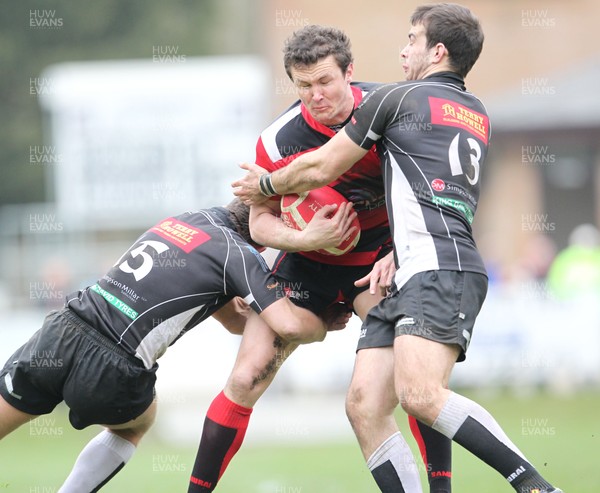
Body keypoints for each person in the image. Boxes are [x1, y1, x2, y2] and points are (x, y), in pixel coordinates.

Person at [233, 4, 563, 493]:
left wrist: (264, 183)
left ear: (438, 51)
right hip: (416, 266)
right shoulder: (475, 111)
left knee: (422, 395)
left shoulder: (396, 99)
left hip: (439, 266)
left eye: (412, 39)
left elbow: (321, 167)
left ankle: (534, 484)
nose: (402, 49)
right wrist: (392, 247)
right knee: (364, 406)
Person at [190, 25, 452, 493]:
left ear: (350, 73)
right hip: (305, 264)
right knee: (246, 376)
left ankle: (439, 488)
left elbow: (428, 198)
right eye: (304, 86)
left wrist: (395, 251)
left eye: (326, 82)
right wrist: (305, 235)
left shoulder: (393, 114)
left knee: (416, 380)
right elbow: (258, 225)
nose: (316, 95)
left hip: (377, 264)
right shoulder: (276, 141)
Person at [0, 198, 353, 492]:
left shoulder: (187, 221)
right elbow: (289, 325)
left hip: (63, 329)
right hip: (114, 360)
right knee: (136, 424)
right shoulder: (240, 254)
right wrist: (324, 323)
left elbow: (231, 319)